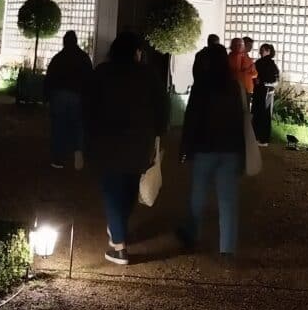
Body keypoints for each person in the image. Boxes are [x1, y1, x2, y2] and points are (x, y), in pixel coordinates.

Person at [84, 31, 168, 266]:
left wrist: (85, 139)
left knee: (112, 190)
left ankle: (119, 246)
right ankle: (118, 231)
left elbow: (88, 107)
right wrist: (159, 134)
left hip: (106, 142)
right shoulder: (148, 75)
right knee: (129, 188)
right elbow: (162, 107)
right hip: (138, 142)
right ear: (135, 52)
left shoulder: (102, 73)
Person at [177, 44, 247, 257]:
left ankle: (192, 234)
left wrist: (184, 148)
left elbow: (191, 121)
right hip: (230, 150)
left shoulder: (201, 87)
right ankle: (227, 248)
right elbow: (241, 120)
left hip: (204, 149)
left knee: (198, 195)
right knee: (228, 200)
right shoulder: (234, 87)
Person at [45, 30, 93, 170]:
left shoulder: (58, 58)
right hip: (77, 96)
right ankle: (78, 149)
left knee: (58, 126)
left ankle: (58, 158)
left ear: (64, 42)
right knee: (78, 124)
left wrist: (47, 96)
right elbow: (89, 78)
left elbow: (50, 77)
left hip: (59, 95)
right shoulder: (83, 58)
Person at [251, 43, 279, 146]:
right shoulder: (270, 64)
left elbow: (274, 80)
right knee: (263, 114)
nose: (261, 52)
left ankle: (259, 137)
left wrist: (260, 82)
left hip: (263, 91)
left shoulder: (263, 63)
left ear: (268, 51)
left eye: (263, 50)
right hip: (265, 91)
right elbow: (275, 79)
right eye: (261, 50)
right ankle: (262, 138)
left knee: (260, 113)